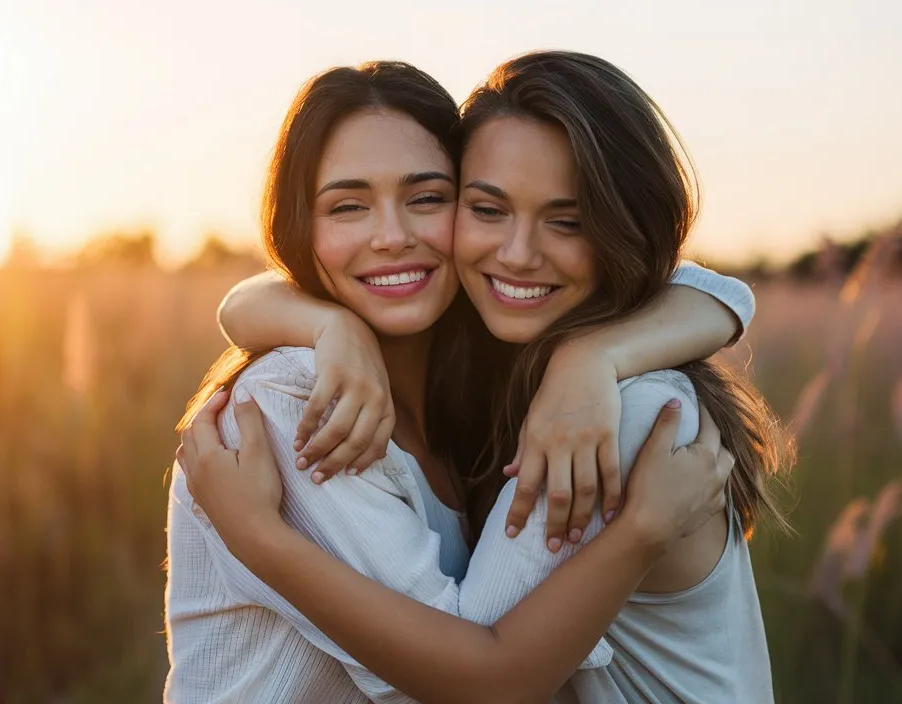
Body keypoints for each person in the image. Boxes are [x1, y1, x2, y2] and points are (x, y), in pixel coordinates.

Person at [166, 58, 758, 704]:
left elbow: (717, 292)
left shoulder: (607, 415)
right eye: (347, 206)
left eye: (426, 198)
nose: (517, 253)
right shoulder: (299, 403)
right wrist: (332, 329)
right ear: (300, 227)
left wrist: (591, 359)